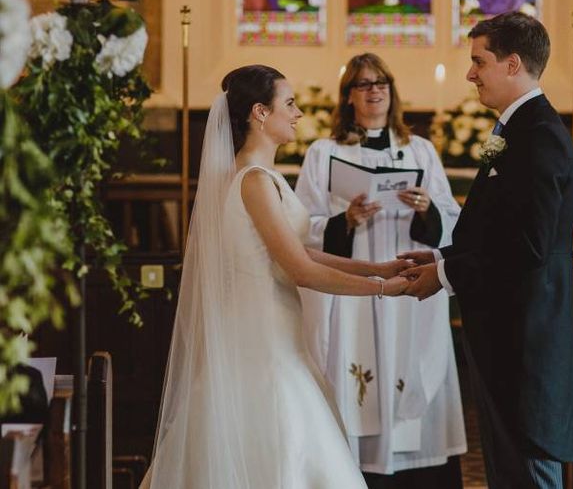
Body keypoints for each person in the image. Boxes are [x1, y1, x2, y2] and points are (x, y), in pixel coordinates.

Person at [140, 65, 410, 489]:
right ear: (260, 113)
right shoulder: (254, 182)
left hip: (276, 334)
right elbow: (300, 270)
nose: (298, 113)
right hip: (262, 345)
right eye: (289, 103)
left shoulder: (261, 177)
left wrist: (378, 267)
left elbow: (298, 251)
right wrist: (382, 289)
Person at [401, 13, 573, 489]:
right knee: (510, 470)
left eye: (479, 61)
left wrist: (446, 276)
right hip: (509, 333)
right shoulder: (519, 130)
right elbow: (500, 232)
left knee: (527, 470)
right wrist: (442, 258)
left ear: (512, 64)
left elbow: (527, 248)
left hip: (525, 337)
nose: (470, 73)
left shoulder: (538, 138)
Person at [295, 53, 467, 488]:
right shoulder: (325, 153)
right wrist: (345, 220)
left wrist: (428, 211)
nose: (374, 91)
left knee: (414, 372)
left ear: (392, 92)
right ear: (348, 97)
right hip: (354, 291)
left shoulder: (420, 150)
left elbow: (453, 219)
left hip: (411, 284)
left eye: (381, 83)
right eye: (364, 84)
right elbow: (301, 228)